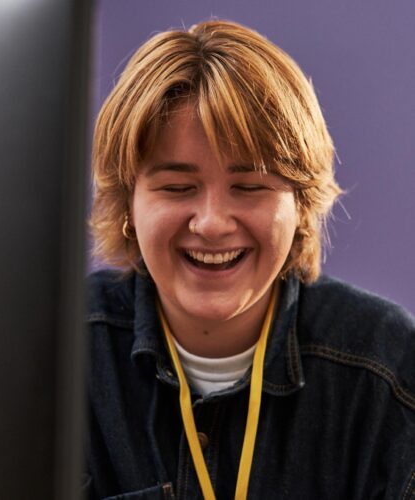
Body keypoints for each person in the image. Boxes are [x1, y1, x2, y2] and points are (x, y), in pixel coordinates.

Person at [84, 19, 415, 499]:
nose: (213, 222)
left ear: (301, 205)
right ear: (127, 205)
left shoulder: (391, 370)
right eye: (177, 188)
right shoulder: (52, 356)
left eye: (250, 187)